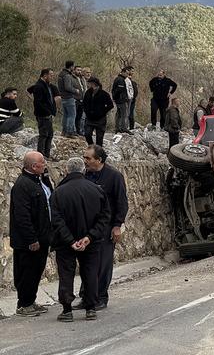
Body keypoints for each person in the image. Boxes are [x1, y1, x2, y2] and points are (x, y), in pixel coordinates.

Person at [51, 157, 110, 322]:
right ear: (84, 170)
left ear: (67, 170)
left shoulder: (58, 192)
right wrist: (89, 237)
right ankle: (91, 308)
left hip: (65, 243)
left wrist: (70, 240)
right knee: (91, 272)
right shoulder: (97, 190)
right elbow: (104, 217)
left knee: (66, 274)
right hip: (90, 241)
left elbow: (56, 220)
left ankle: (67, 310)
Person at [78, 145, 128, 310]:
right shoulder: (85, 176)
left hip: (106, 227)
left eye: (88, 158)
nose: (85, 161)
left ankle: (100, 297)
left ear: (98, 160)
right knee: (87, 262)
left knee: (103, 263)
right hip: (88, 227)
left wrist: (117, 226)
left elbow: (122, 202)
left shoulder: (114, 177)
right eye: (84, 157)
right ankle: (86, 296)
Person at [9, 151, 53, 317]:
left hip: (42, 236)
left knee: (36, 270)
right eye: (42, 162)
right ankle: (24, 304)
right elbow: (22, 216)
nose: (45, 164)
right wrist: (31, 238)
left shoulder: (40, 181)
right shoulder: (23, 185)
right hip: (29, 241)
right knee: (27, 271)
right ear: (34, 166)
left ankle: (30, 301)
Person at [27, 68, 61, 158]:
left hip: (48, 114)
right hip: (43, 114)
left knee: (49, 135)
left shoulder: (48, 85)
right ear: (45, 75)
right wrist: (48, 111)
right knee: (44, 135)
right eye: (51, 75)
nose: (52, 77)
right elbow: (37, 102)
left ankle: (46, 155)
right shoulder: (39, 86)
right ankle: (41, 155)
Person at [82, 78, 114, 146]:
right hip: (89, 118)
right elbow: (84, 103)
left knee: (99, 138)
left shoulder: (104, 94)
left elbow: (110, 105)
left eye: (89, 83)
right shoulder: (88, 93)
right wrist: (86, 111)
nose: (88, 85)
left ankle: (99, 154)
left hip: (100, 119)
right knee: (87, 134)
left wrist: (102, 112)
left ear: (93, 83)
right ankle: (91, 147)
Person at [58, 60, 81, 138]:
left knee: (65, 115)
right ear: (71, 66)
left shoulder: (61, 74)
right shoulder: (67, 75)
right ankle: (70, 132)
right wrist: (75, 90)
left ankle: (64, 131)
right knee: (72, 115)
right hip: (68, 97)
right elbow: (67, 87)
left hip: (63, 97)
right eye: (73, 66)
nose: (73, 68)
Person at [111, 67, 132, 133]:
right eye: (126, 73)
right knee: (124, 114)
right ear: (123, 72)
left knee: (119, 114)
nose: (127, 75)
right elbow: (119, 90)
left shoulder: (120, 79)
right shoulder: (120, 79)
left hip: (119, 99)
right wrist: (120, 98)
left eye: (128, 74)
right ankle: (123, 128)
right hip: (121, 100)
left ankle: (118, 128)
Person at [73, 66, 87, 136]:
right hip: (75, 99)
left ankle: (79, 130)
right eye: (78, 70)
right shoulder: (72, 78)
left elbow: (84, 89)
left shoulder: (82, 79)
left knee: (79, 116)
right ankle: (73, 130)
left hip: (82, 99)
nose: (79, 72)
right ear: (74, 70)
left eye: (80, 70)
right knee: (74, 116)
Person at [78, 67, 92, 134]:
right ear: (83, 73)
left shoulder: (91, 81)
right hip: (83, 101)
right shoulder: (81, 80)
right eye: (87, 72)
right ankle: (81, 130)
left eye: (89, 72)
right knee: (82, 117)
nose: (89, 74)